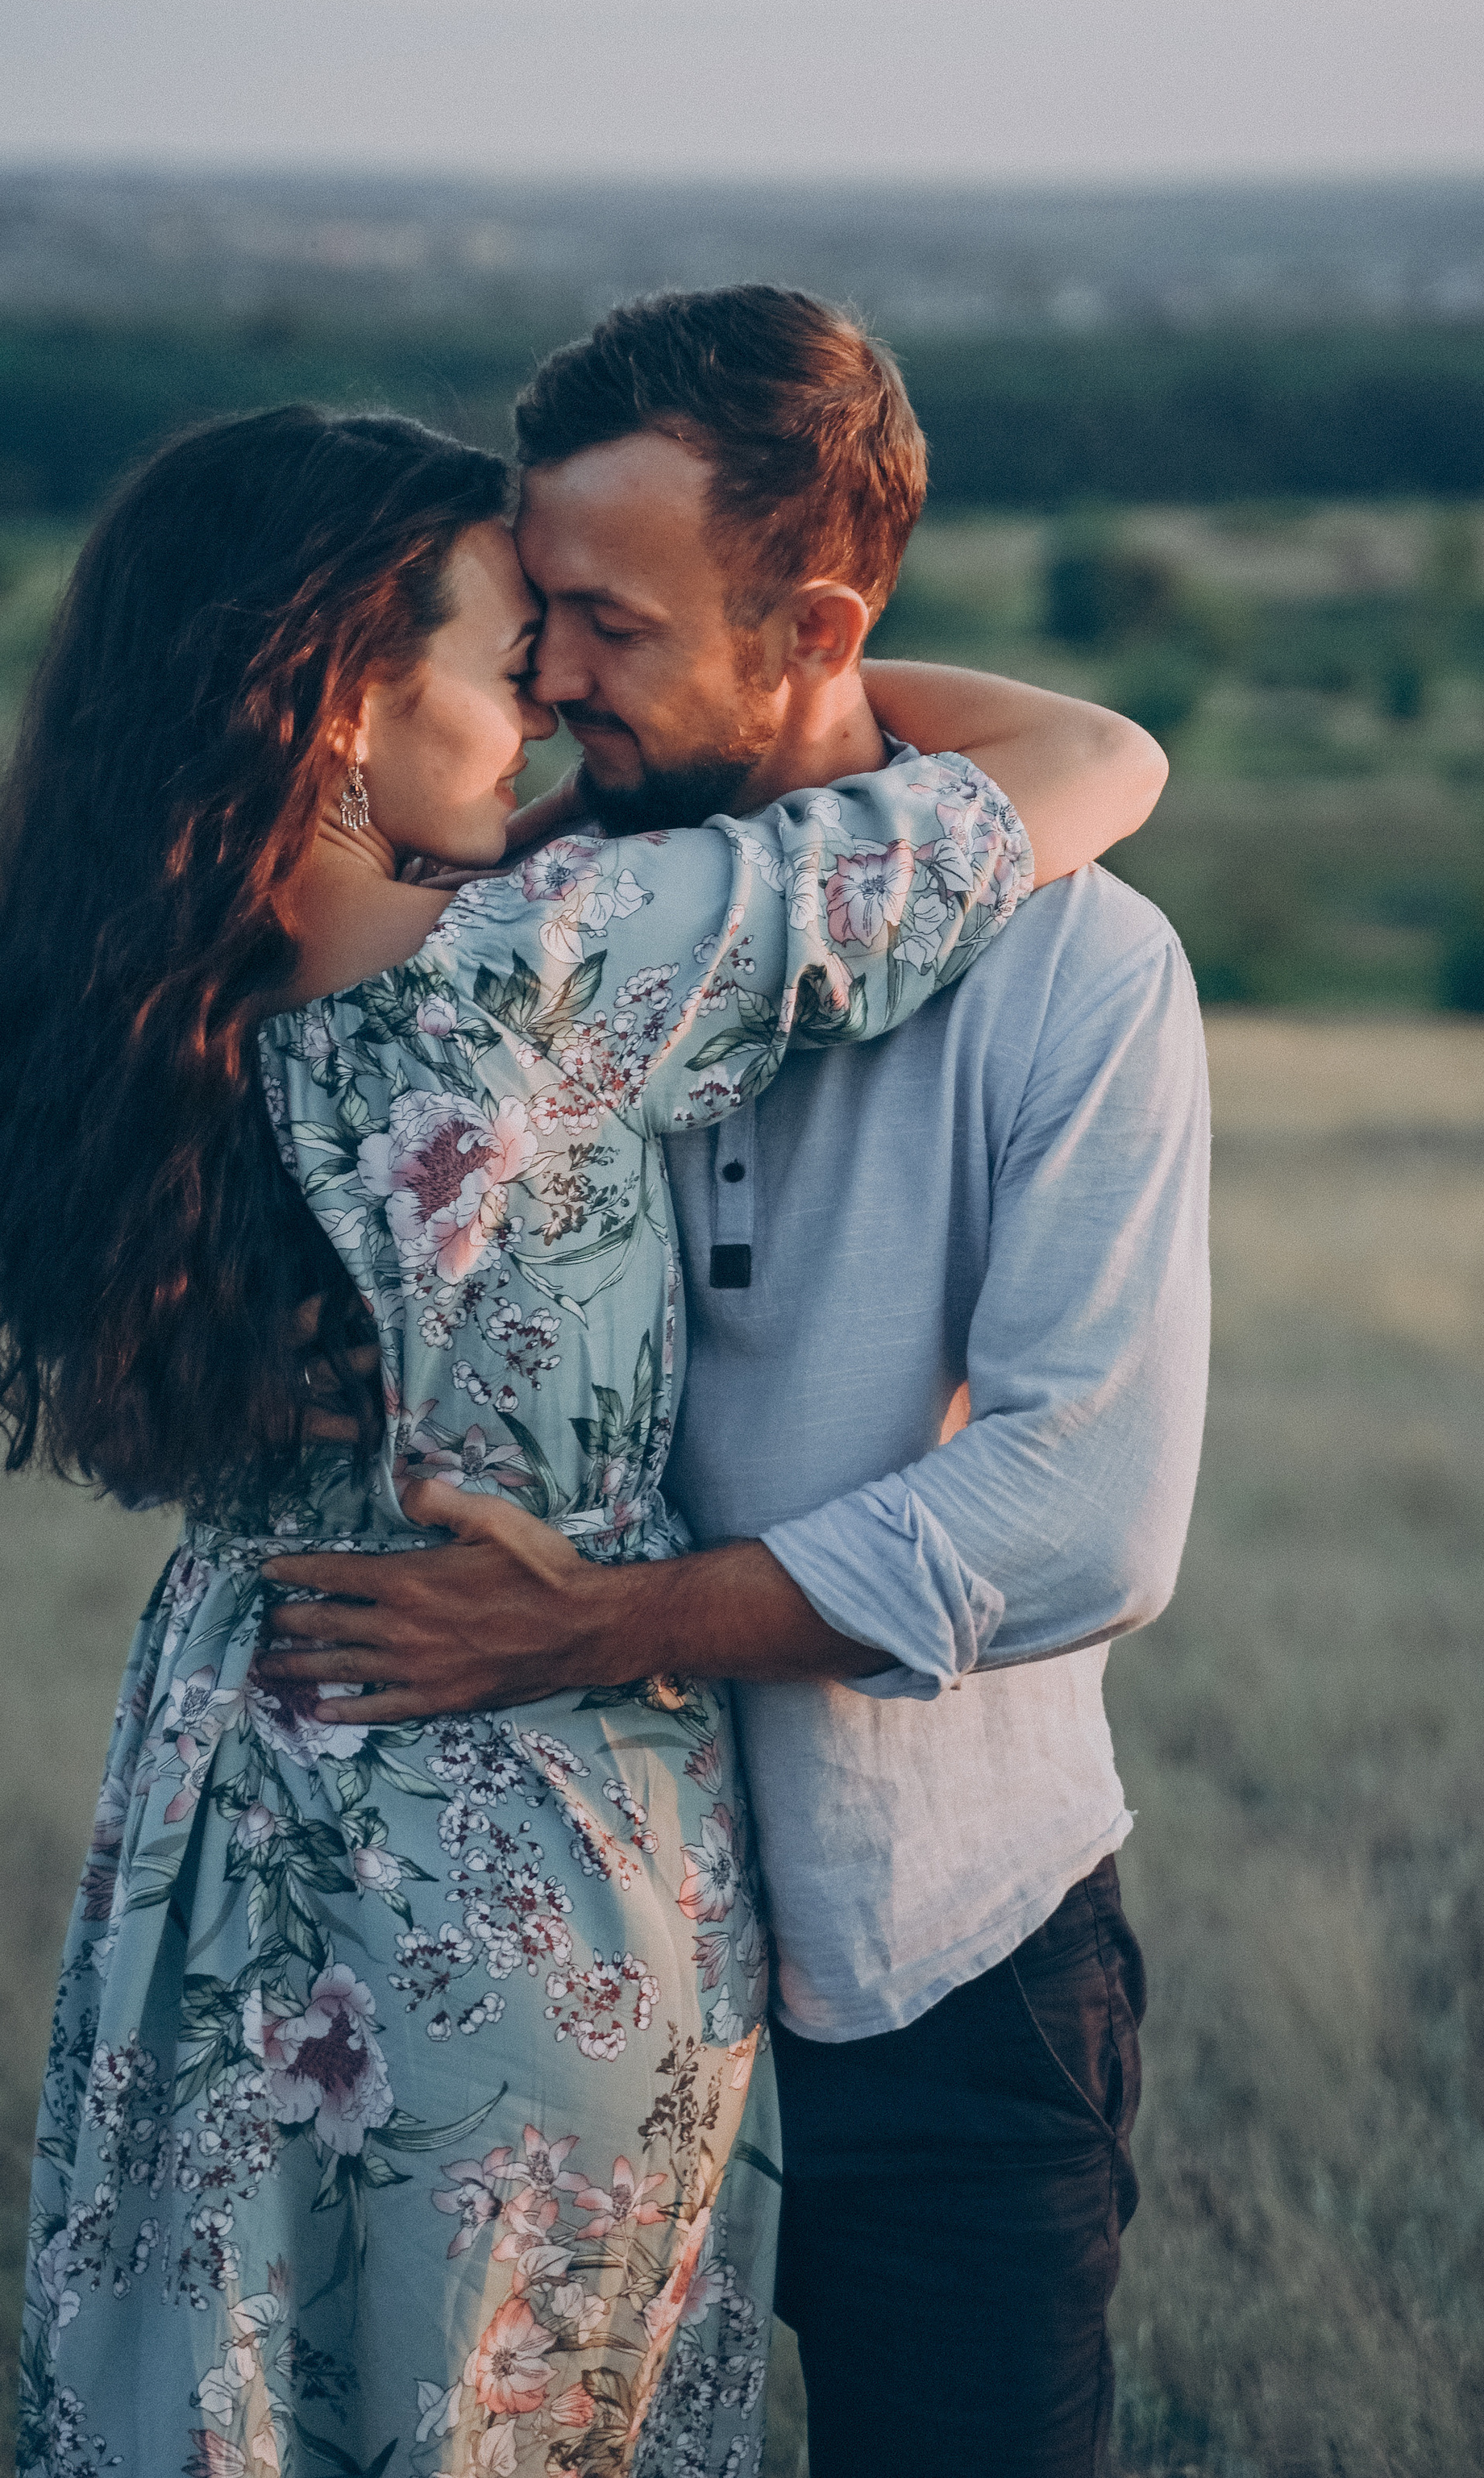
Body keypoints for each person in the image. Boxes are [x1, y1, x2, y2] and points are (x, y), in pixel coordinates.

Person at [0, 401, 1165, 2478]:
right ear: (336, 707)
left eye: (582, 639)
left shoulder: (125, 1007)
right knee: (512, 2415)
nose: (547, 707)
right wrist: (799, 671)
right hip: (522, 1837)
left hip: (220, 1791)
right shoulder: (531, 981)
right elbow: (1104, 762)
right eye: (503, 652)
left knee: (233, 2400)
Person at [257, 293, 1211, 2478]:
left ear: (815, 621)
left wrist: (599, 1627)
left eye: (604, 622)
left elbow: (1086, 1513)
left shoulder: (1082, 966)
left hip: (948, 1956)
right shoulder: (519, 914)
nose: (551, 678)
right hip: (539, 1941)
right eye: (534, 619)